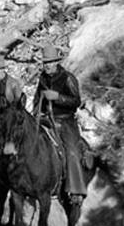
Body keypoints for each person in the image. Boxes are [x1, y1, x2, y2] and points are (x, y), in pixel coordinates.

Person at [32, 44, 86, 201]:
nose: (47, 65)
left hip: (65, 120)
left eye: (49, 62)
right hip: (45, 119)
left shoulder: (68, 78)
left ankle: (76, 190)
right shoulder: (42, 78)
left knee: (72, 150)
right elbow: (37, 99)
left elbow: (76, 101)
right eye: (45, 63)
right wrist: (35, 114)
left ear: (56, 62)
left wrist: (57, 97)